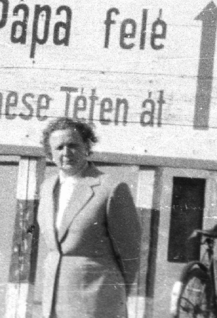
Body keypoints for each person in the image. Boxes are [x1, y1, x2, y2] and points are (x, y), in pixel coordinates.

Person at [35, 117, 140, 318]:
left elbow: (130, 254)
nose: (66, 153)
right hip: (55, 301)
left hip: (97, 301)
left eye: (73, 145)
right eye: (59, 147)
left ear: (87, 146)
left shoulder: (110, 188)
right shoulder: (47, 187)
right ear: (50, 153)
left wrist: (114, 296)